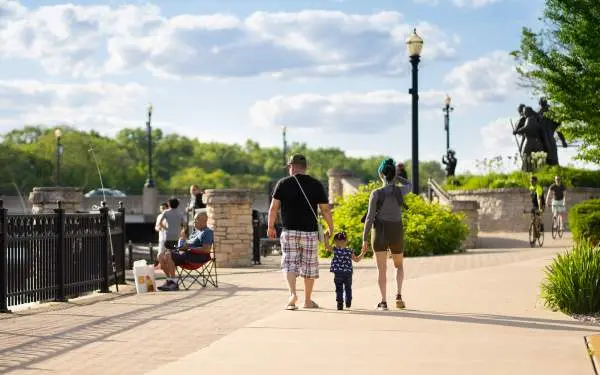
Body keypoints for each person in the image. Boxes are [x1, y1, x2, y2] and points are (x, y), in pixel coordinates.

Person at [267, 154, 334, 310]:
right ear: (306, 167)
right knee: (309, 266)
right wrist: (330, 227)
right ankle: (308, 301)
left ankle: (292, 294)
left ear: (291, 166)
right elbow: (325, 210)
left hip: (289, 231)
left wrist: (270, 227)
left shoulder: (283, 183)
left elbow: (273, 208)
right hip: (309, 232)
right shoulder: (316, 184)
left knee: (289, 263)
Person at [360, 158, 412, 311]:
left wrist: (364, 238)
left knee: (381, 269)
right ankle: (399, 296)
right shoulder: (400, 190)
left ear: (381, 174)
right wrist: (398, 177)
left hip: (380, 231)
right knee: (399, 265)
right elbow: (410, 184)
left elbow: (369, 218)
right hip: (396, 231)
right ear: (393, 174)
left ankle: (383, 302)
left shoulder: (376, 193)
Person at [158, 210, 214, 292]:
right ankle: (169, 280)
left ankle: (173, 283)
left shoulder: (207, 232)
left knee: (167, 255)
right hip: (185, 254)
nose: (194, 221)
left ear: (205, 220)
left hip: (195, 258)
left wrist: (189, 248)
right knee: (160, 255)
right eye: (194, 219)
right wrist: (182, 241)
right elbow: (188, 244)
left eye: (197, 219)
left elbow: (206, 250)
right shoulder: (195, 232)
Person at [323, 231, 362, 310]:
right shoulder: (349, 251)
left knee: (339, 288)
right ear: (346, 241)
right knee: (348, 288)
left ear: (335, 241)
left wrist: (326, 238)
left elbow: (327, 246)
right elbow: (357, 259)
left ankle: (339, 303)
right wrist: (363, 252)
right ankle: (348, 301)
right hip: (348, 273)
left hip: (338, 273)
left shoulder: (335, 249)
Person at [154, 202, 169, 266]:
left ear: (167, 208)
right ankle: (162, 266)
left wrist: (163, 226)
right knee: (160, 254)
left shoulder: (170, 216)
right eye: (161, 208)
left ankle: (165, 267)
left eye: (163, 208)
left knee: (167, 255)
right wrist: (158, 228)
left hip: (169, 238)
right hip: (161, 238)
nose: (162, 210)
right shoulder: (159, 216)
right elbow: (156, 227)